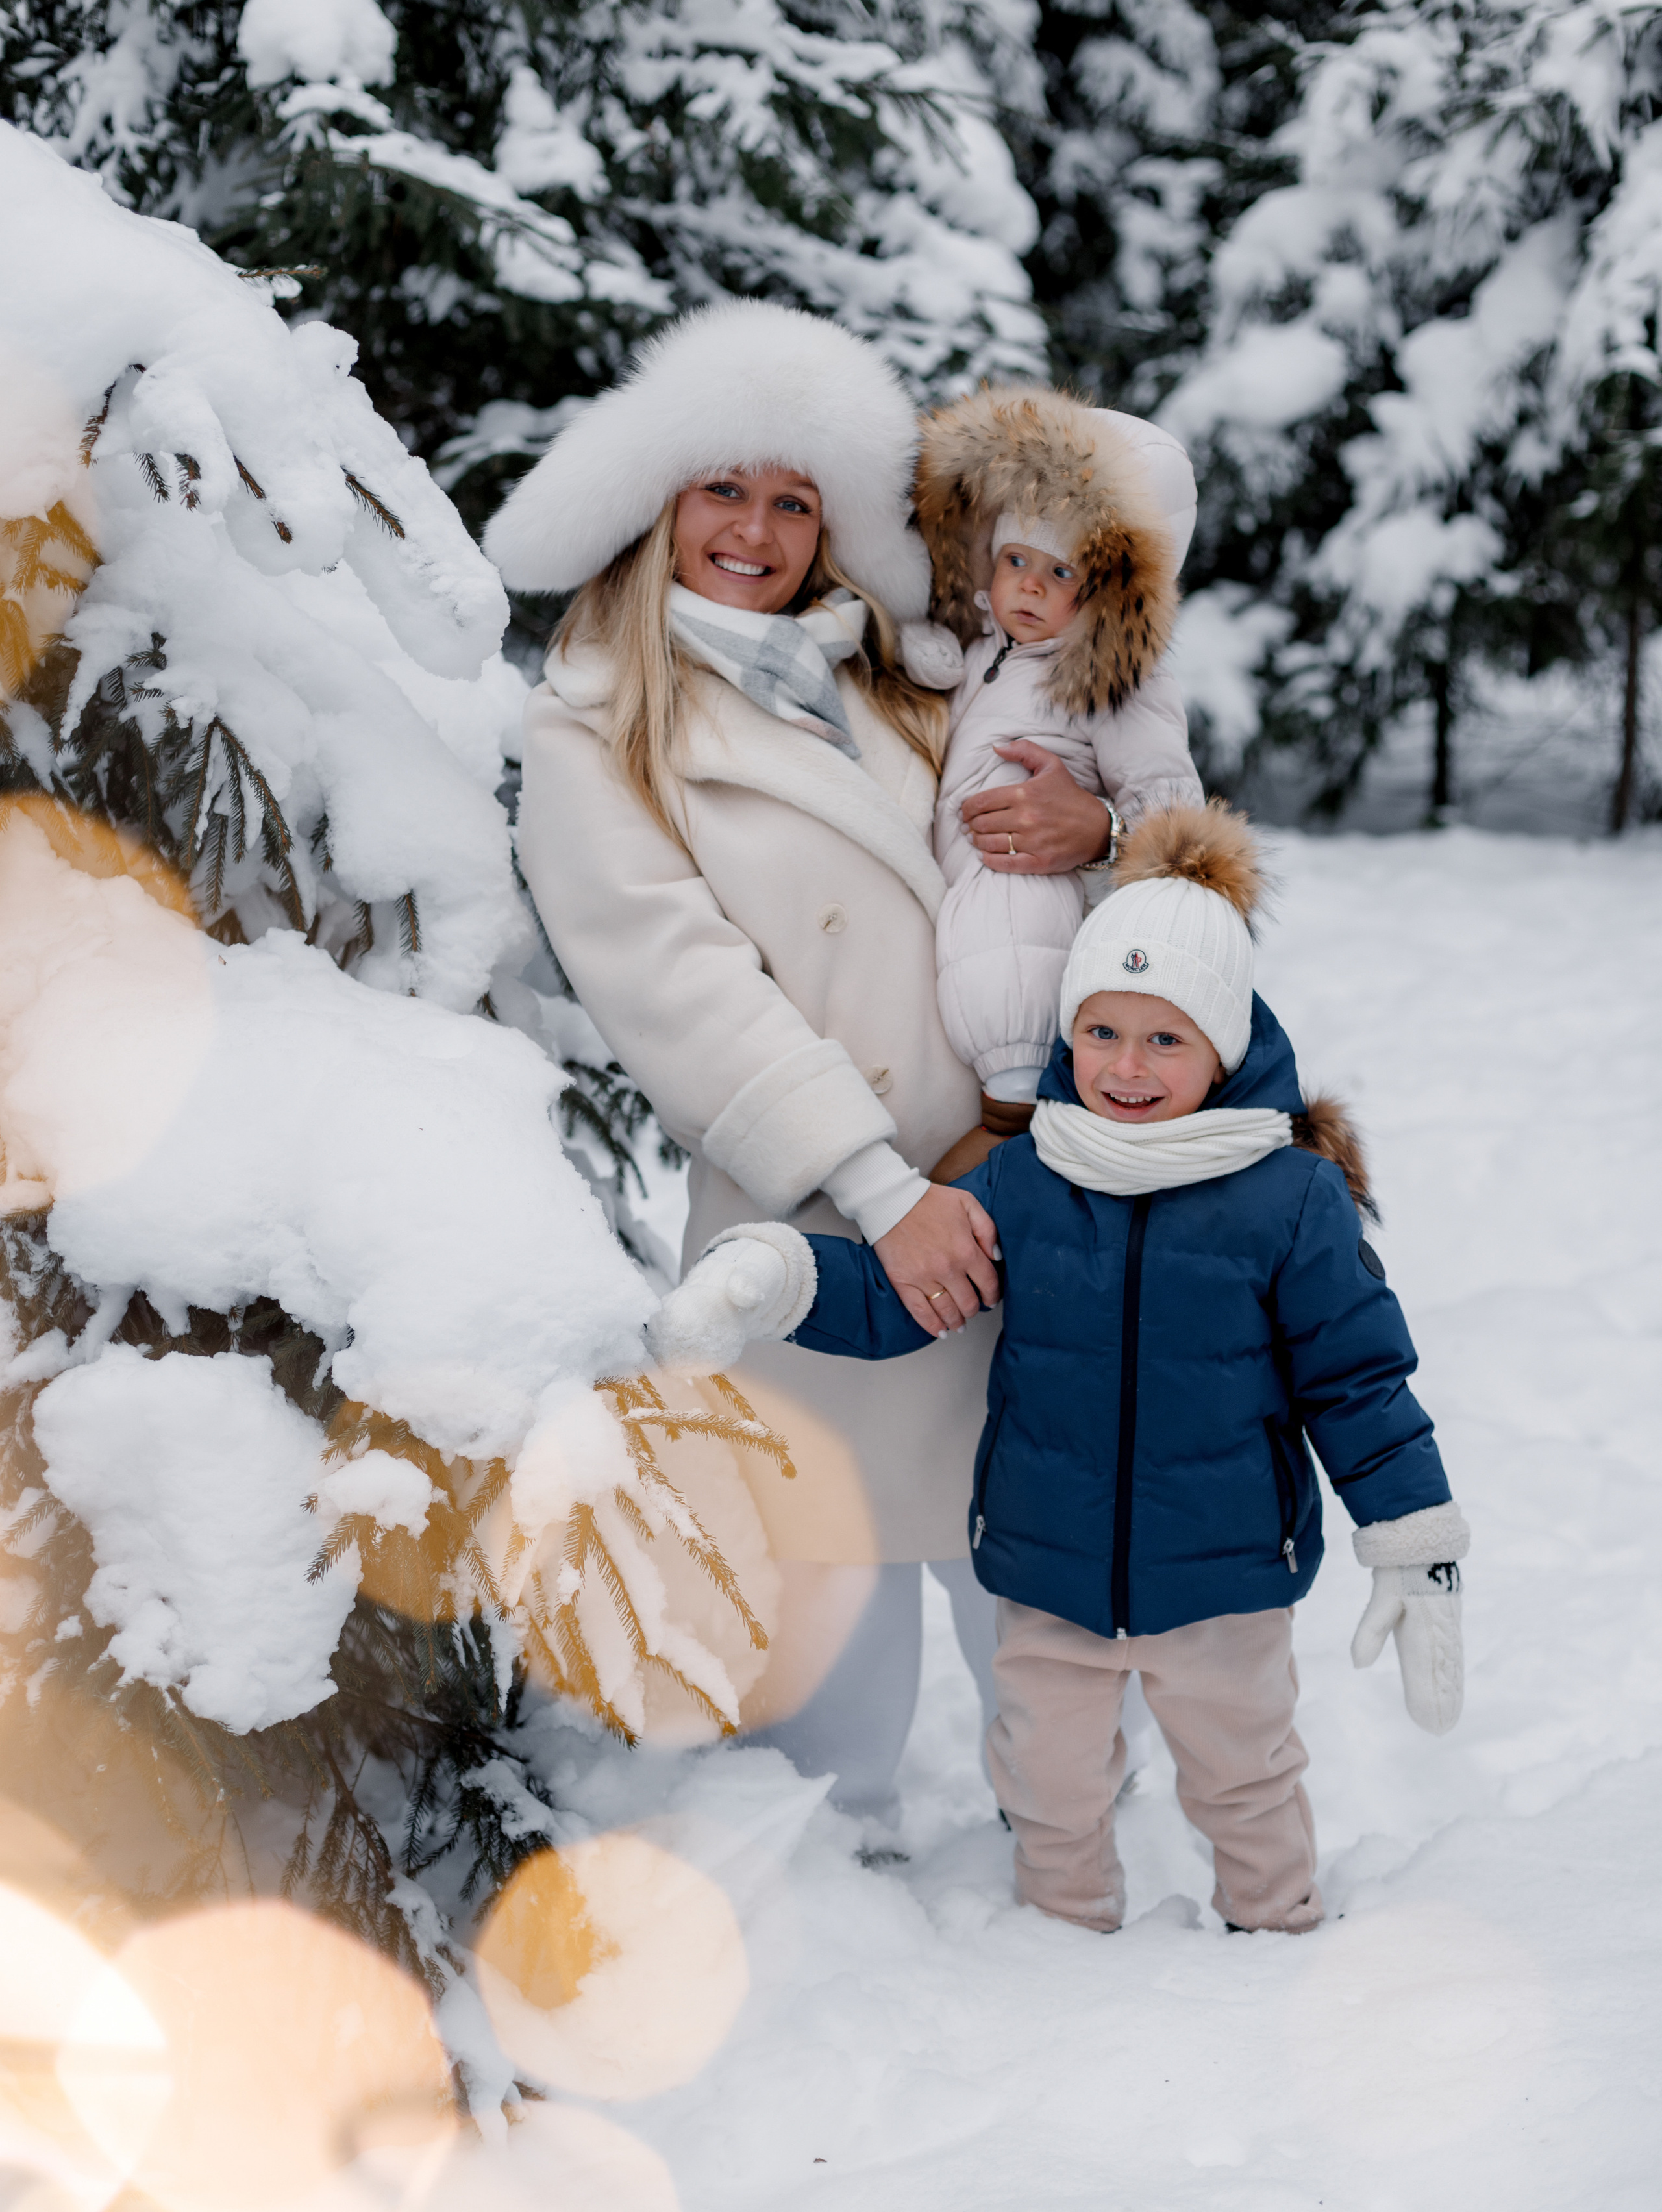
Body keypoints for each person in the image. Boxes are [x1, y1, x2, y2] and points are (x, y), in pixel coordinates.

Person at [485, 301, 1119, 1834]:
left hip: (1016, 1185)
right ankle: (842, 1929)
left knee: (1036, 1572)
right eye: (721, 489)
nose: (752, 530)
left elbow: (1050, 909)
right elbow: (685, 993)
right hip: (827, 1214)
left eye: (789, 499)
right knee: (827, 1611)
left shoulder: (916, 673)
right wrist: (881, 1187)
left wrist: (1088, 840)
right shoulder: (595, 728)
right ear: (660, 500)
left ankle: (1094, 1905)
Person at [649, 799, 1469, 1933]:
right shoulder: (1030, 1177)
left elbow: (1357, 1380)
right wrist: (779, 1279)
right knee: (1049, 1785)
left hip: (1224, 1580)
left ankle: (1278, 1933)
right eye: (1100, 1032)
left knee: (1245, 1776)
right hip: (1047, 1573)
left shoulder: (1288, 1200)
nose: (1126, 1068)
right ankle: (1062, 1948)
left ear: (1225, 1045)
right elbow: (901, 1295)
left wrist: (1413, 1538)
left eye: (1165, 1039)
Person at [913, 388, 1204, 1184]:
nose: (1030, 589)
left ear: (1109, 586)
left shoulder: (1114, 679)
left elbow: (1175, 815)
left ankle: (982, 1157)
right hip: (957, 900)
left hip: (1026, 911)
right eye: (1016, 563)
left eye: (1060, 571)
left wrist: (1104, 829)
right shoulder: (982, 648)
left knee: (1010, 1097)